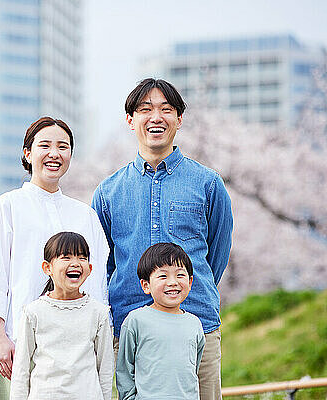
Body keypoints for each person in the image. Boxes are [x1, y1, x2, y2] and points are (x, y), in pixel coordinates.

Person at [92, 78, 233, 400]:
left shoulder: (208, 184)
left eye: (166, 110)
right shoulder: (108, 192)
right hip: (129, 325)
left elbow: (217, 254)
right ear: (130, 120)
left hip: (196, 320)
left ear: (179, 120)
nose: (156, 117)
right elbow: (105, 262)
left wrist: (185, 288)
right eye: (145, 110)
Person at [0, 117, 110, 400]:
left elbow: (97, 284)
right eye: (45, 145)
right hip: (17, 346)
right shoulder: (7, 207)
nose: (54, 154)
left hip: (77, 351)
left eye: (63, 146)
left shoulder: (85, 215)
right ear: (27, 153)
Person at [10, 232, 114, 400]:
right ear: (47, 267)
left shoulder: (98, 312)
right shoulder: (33, 312)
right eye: (66, 257)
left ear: (90, 268)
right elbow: (20, 370)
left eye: (82, 257)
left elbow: (106, 369)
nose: (75, 263)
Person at [116, 242, 205, 400]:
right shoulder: (136, 320)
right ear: (146, 285)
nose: (172, 282)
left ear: (190, 282)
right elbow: (124, 369)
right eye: (163, 276)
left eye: (180, 275)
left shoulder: (194, 323)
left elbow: (193, 368)